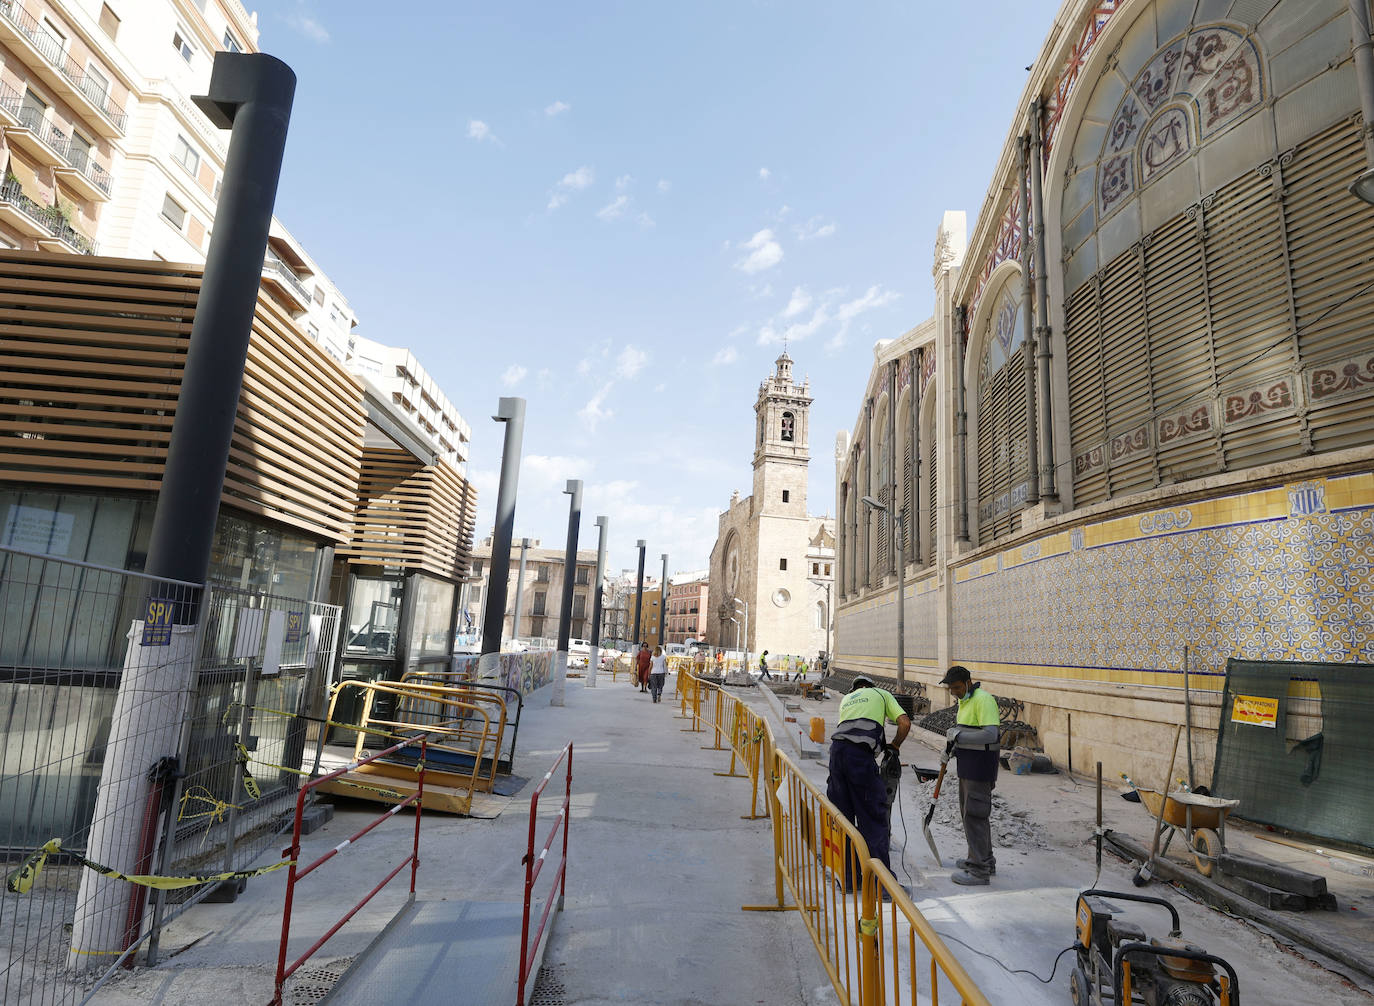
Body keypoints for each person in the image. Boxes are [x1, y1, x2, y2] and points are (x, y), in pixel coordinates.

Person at [827, 675, 910, 882]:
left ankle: (848, 879)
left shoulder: (847, 700)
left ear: (855, 688)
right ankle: (881, 886)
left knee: (843, 820)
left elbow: (847, 733)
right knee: (872, 820)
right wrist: (895, 745)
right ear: (871, 687)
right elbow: (905, 723)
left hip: (836, 756)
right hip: (860, 759)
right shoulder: (881, 694)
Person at [940, 665, 1000, 886]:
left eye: (956, 687)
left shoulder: (983, 700)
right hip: (968, 766)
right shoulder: (965, 702)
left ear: (967, 683)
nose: (953, 692)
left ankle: (979, 871)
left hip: (980, 768)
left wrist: (959, 735)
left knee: (975, 816)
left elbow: (990, 734)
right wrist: (954, 747)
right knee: (972, 815)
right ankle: (984, 860)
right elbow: (968, 734)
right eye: (950, 689)